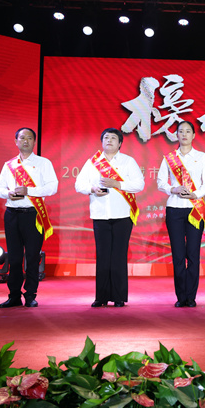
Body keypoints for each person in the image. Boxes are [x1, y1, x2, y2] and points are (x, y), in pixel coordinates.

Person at [75, 128, 145, 307]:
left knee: (119, 255)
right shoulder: (92, 162)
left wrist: (117, 184)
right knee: (103, 255)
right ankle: (101, 297)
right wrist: (92, 189)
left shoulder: (128, 161)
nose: (109, 140)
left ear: (120, 143)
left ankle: (119, 297)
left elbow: (139, 184)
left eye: (114, 138)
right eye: (106, 137)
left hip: (123, 215)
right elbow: (79, 184)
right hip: (100, 214)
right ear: (102, 141)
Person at [0, 127, 58, 308]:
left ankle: (30, 295)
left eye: (29, 138)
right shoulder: (9, 165)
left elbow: (52, 187)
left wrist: (29, 191)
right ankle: (14, 295)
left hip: (33, 215)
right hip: (12, 214)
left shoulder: (43, 163)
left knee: (32, 257)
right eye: (22, 138)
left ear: (34, 142)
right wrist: (8, 193)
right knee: (14, 258)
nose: (26, 141)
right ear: (16, 141)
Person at [157, 121, 205, 308]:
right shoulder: (169, 158)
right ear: (176, 135)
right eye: (181, 131)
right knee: (178, 255)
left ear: (193, 135)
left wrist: (195, 194)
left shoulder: (201, 156)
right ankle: (181, 296)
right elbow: (160, 182)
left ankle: (191, 296)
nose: (184, 134)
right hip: (174, 208)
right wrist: (173, 189)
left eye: (188, 131)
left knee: (193, 254)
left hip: (195, 208)